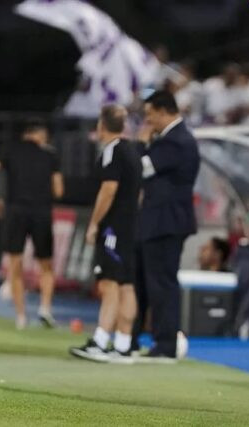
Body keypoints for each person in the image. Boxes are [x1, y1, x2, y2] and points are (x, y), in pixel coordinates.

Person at [69, 105, 142, 363]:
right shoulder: (133, 151)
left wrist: (94, 223)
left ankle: (101, 341)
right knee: (126, 285)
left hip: (113, 229)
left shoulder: (112, 151)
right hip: (130, 227)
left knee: (109, 283)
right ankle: (123, 344)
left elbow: (108, 190)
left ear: (102, 125)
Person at [0, 118, 64, 329]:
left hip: (16, 211)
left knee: (15, 264)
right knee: (46, 265)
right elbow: (59, 191)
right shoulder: (50, 155)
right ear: (41, 135)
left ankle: (21, 316)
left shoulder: (11, 150)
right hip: (41, 211)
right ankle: (45, 309)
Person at [132, 90, 200, 361]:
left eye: (150, 116)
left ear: (163, 111)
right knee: (149, 283)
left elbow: (139, 168)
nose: (148, 123)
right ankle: (135, 339)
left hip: (166, 222)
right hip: (158, 221)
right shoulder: (172, 139)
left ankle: (164, 345)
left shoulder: (177, 141)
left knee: (161, 284)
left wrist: (139, 144)